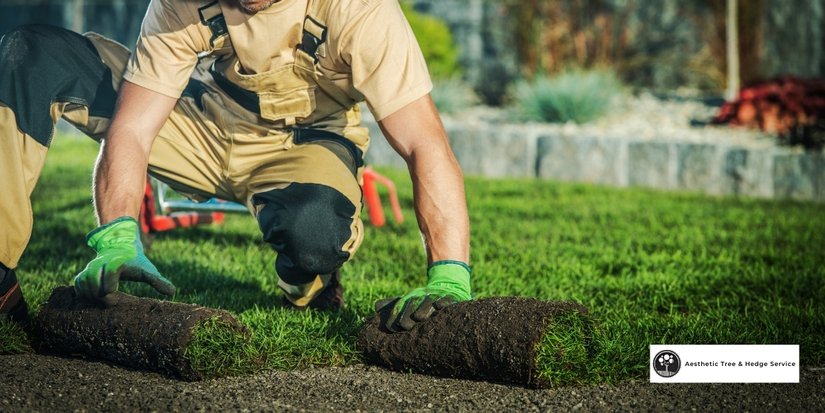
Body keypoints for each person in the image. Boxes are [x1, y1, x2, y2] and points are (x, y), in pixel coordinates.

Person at [0, 0, 471, 332]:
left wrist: (449, 273)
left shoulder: (362, 11)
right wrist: (118, 236)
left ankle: (310, 279)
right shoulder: (179, 4)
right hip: (203, 121)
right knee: (32, 52)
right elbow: (134, 128)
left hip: (304, 142)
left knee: (313, 235)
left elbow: (424, 144)